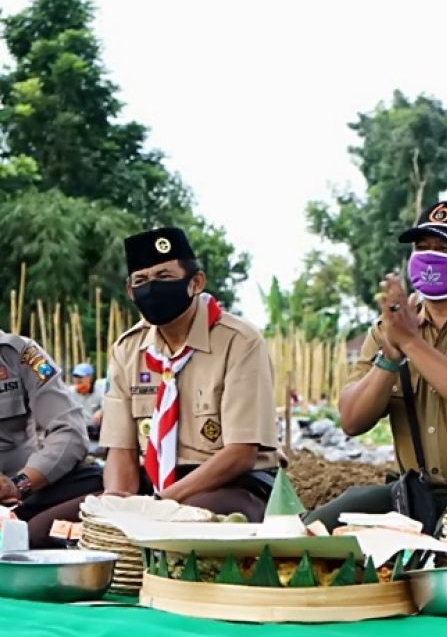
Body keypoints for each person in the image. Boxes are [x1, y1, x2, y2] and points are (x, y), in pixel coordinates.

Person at [305, 200, 447, 531]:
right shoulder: (390, 327)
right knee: (320, 529)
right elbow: (351, 420)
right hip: (414, 496)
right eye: (423, 248)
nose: (431, 257)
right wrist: (389, 357)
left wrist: (412, 343)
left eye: (445, 249)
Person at [36, 227, 280, 525]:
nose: (151, 288)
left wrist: (157, 505)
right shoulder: (129, 349)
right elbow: (121, 450)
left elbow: (241, 454)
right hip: (153, 486)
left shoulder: (239, 341)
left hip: (233, 484)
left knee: (178, 529)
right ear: (130, 291)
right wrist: (116, 502)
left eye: (164, 277)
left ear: (196, 282)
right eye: (141, 280)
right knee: (45, 531)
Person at [0, 333, 103, 546]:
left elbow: (70, 431)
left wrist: (19, 484)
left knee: (98, 479)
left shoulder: (21, 354)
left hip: (22, 491)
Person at [67, 363, 104, 440]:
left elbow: (108, 406)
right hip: (76, 430)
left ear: (89, 378)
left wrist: (101, 411)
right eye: (75, 376)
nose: (77, 379)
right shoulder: (68, 392)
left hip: (93, 431)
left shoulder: (99, 392)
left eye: (80, 377)